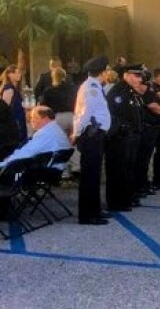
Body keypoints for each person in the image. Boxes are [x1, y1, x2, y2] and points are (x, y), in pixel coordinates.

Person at [72, 54, 112, 225]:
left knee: (94, 175)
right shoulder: (92, 88)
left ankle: (94, 210)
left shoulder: (93, 85)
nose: (107, 75)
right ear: (102, 72)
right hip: (92, 135)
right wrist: (77, 133)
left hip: (95, 135)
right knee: (90, 175)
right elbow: (85, 113)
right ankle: (88, 214)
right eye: (106, 71)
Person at [104, 64, 145, 212]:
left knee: (129, 168)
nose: (139, 79)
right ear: (126, 75)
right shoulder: (118, 91)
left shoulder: (131, 91)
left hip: (132, 135)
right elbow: (113, 114)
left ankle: (127, 197)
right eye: (136, 75)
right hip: (120, 137)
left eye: (140, 76)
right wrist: (122, 129)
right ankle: (117, 201)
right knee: (118, 169)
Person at [0, 106, 71, 168]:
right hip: (51, 168)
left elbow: (27, 152)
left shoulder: (46, 133)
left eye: (35, 117)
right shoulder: (54, 129)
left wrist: (4, 163)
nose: (32, 120)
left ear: (45, 118)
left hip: (43, 170)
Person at [0, 64, 27, 145]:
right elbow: (5, 108)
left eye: (19, 73)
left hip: (19, 119)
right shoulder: (9, 89)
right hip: (14, 121)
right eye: (16, 73)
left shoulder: (15, 88)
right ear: (10, 75)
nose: (19, 75)